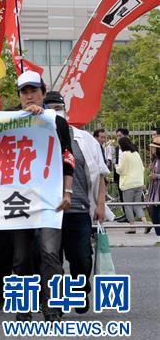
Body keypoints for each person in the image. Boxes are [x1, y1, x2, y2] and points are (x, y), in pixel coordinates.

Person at [9, 71, 76, 322]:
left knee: (50, 252)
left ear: (43, 92)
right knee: (22, 256)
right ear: (19, 95)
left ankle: (53, 307)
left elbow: (67, 157)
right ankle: (24, 306)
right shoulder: (6, 119)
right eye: (24, 91)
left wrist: (67, 191)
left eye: (33, 90)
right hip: (17, 198)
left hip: (50, 196)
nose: (29, 96)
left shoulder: (55, 121)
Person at [44, 91, 109, 311]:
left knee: (81, 257)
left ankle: (80, 289)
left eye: (58, 107)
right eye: (49, 107)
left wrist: (100, 204)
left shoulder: (85, 139)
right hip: (48, 209)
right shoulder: (36, 137)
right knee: (52, 259)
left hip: (78, 207)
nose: (54, 111)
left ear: (65, 109)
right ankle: (57, 300)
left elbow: (101, 174)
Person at [116, 136, 149, 233]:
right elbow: (142, 168)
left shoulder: (125, 154)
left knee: (128, 205)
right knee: (137, 205)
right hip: (138, 183)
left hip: (128, 184)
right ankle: (145, 223)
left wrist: (116, 167)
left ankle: (132, 227)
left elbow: (122, 170)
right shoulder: (136, 154)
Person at [147, 134, 160, 237]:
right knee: (154, 215)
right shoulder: (155, 160)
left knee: (157, 215)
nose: (152, 149)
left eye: (153, 147)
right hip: (154, 192)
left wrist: (157, 176)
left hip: (158, 193)